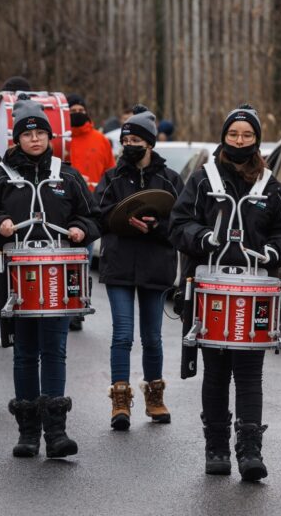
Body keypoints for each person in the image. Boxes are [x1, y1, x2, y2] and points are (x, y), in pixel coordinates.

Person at [169, 104, 281, 482]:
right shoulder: (203, 180)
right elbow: (178, 224)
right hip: (209, 286)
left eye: (247, 135)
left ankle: (250, 450)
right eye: (233, 134)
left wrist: (275, 251)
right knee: (215, 371)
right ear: (224, 136)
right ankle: (216, 448)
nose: (240, 141)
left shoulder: (271, 186)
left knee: (249, 372)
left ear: (256, 139)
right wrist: (202, 237)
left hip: (254, 289)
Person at [0, 96, 99, 460]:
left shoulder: (66, 176)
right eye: (28, 134)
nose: (35, 139)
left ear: (49, 136)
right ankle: (27, 432)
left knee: (54, 349)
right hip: (15, 278)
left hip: (57, 278)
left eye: (40, 133)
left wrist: (80, 229)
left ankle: (56, 432)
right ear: (17, 139)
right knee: (25, 352)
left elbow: (93, 217)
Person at [94, 106, 183, 431]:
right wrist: (122, 220)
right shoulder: (112, 177)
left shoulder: (170, 179)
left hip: (155, 266)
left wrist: (157, 226)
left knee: (152, 337)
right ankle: (120, 400)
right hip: (119, 263)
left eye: (136, 140)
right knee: (122, 334)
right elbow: (97, 214)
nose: (129, 145)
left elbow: (182, 222)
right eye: (126, 140)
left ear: (150, 143)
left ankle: (155, 397)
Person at [66, 94, 115, 192]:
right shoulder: (61, 140)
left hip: (95, 196)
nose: (77, 113)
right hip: (67, 196)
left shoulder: (101, 139)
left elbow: (111, 172)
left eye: (81, 110)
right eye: (73, 111)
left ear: (86, 112)